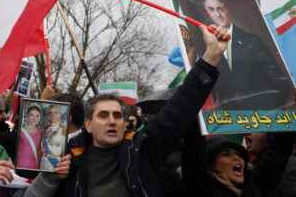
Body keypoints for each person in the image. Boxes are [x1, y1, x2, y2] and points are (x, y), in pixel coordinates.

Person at [33, 24, 229, 197]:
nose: (112, 121)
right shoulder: (65, 157)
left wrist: (211, 57)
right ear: (88, 125)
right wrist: (50, 179)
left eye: (117, 116)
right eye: (103, 115)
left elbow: (179, 109)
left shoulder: (143, 149)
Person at [202, 0, 290, 109]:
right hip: (230, 118)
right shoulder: (208, 45)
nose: (217, 14)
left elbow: (279, 81)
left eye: (220, 8)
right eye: (211, 9)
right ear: (207, 12)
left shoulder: (252, 40)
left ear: (228, 9)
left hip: (263, 114)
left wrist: (271, 108)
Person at [39, 104, 67, 171]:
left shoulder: (64, 129)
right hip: (43, 164)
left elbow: (64, 152)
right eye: (50, 113)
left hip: (55, 165)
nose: (53, 115)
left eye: (56, 112)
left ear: (60, 114)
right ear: (48, 115)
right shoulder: (45, 129)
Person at [17, 103, 43, 170]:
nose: (34, 118)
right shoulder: (20, 131)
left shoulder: (41, 133)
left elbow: (39, 151)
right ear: (27, 116)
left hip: (33, 168)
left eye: (37, 116)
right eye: (32, 115)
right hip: (19, 166)